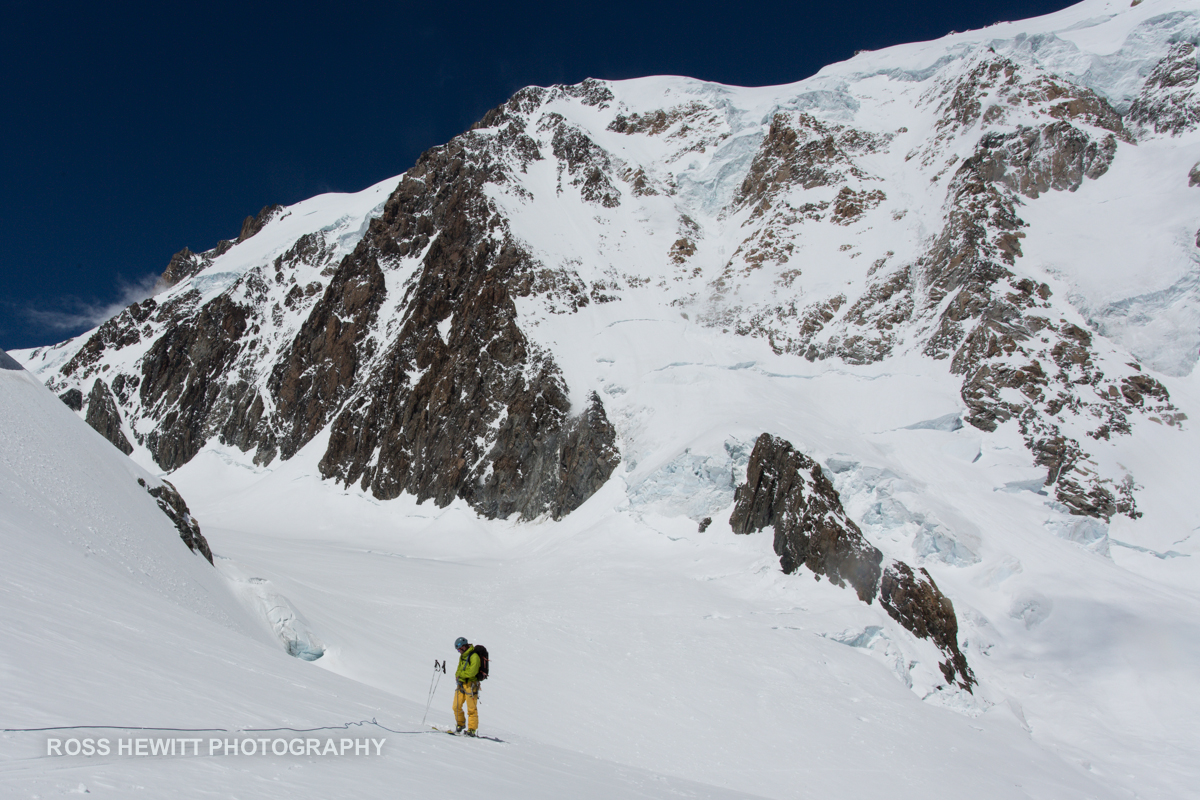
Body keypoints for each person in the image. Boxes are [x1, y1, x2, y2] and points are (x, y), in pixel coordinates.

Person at [452, 636, 482, 736]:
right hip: (461, 684)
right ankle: (460, 724)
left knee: (471, 708)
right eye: (458, 650)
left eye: (459, 649)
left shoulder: (474, 657)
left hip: (471, 685)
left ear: (464, 646)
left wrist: (461, 675)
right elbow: (459, 668)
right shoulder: (463, 656)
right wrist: (457, 675)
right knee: (456, 706)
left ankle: (472, 729)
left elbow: (472, 672)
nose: (459, 651)